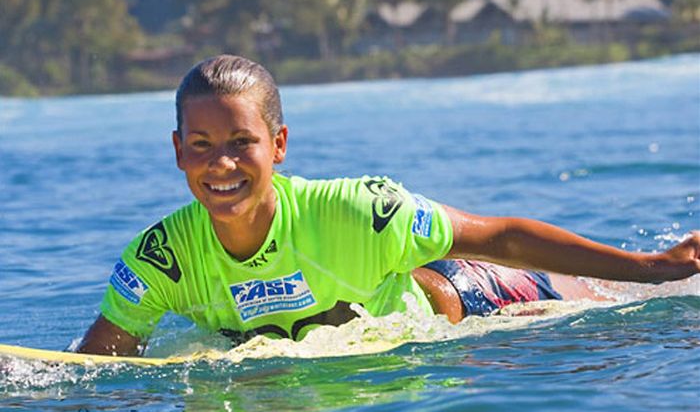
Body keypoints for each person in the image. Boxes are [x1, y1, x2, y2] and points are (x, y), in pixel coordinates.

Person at [77, 55, 700, 356]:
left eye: (243, 143)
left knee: (627, 314)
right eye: (203, 146)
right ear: (179, 151)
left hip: (468, 299)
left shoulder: (354, 211)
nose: (222, 164)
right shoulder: (161, 260)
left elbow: (498, 237)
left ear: (280, 145)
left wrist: (653, 268)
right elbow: (102, 368)